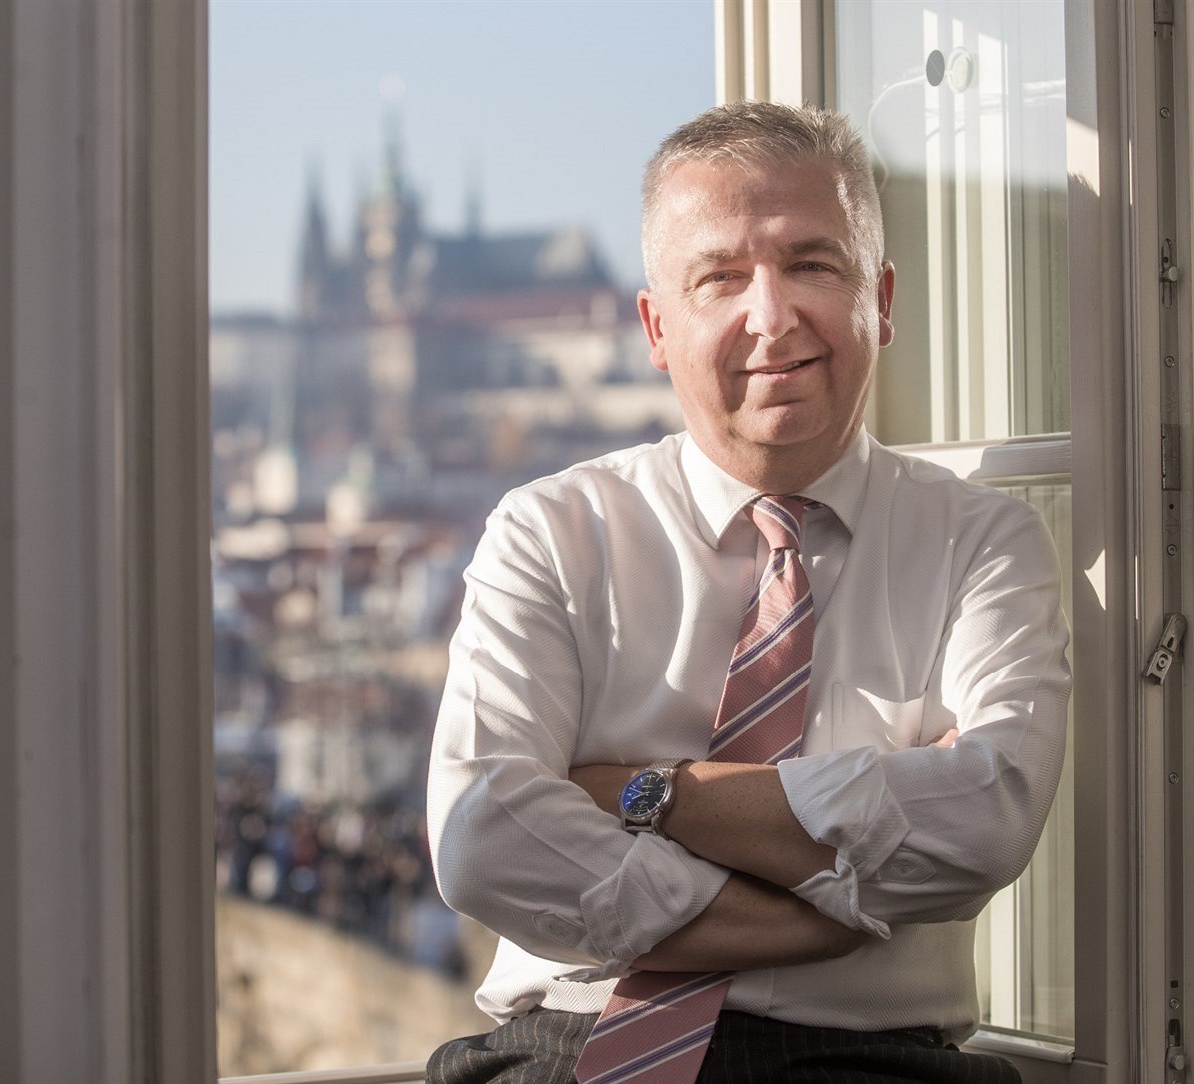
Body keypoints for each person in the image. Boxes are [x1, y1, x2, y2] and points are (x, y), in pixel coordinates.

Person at [425, 101, 1070, 1083]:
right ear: (656, 327)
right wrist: (814, 915)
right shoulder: (550, 531)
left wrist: (646, 793)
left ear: (881, 298)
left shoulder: (984, 544)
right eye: (720, 277)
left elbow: (988, 819)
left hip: (867, 1065)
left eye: (813, 265)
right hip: (563, 1050)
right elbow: (481, 839)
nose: (771, 316)